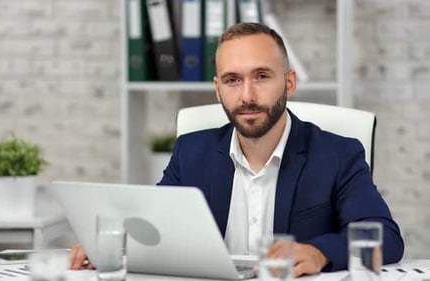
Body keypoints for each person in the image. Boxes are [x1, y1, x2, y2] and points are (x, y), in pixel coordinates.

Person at [70, 22, 404, 277]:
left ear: (289, 82)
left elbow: (386, 238)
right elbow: (158, 228)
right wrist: (115, 244)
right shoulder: (192, 151)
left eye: (261, 76)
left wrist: (320, 252)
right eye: (232, 80)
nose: (246, 96)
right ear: (218, 89)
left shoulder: (337, 154)